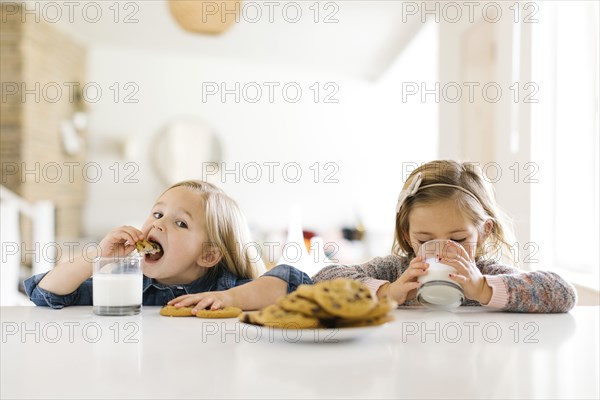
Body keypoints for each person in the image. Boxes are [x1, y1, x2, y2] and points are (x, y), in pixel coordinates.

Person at [312, 160, 577, 313]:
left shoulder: (485, 273)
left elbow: (563, 292)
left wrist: (484, 288)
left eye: (458, 239)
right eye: (425, 241)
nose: (440, 253)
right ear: (407, 234)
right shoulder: (395, 272)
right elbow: (318, 281)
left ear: (483, 231)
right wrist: (386, 292)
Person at [25, 180, 311, 312]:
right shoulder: (128, 285)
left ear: (209, 254)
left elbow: (294, 283)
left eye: (181, 223)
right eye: (158, 214)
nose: (158, 224)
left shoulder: (231, 290)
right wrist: (97, 256)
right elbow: (46, 295)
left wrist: (231, 299)